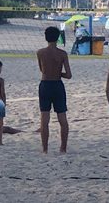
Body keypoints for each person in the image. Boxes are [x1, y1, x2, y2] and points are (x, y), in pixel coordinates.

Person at [37, 26, 72, 154]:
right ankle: (63, 148)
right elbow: (68, 75)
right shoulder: (62, 54)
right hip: (57, 85)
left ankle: (45, 149)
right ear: (58, 38)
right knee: (62, 118)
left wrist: (51, 72)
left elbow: (42, 70)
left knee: (44, 119)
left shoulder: (40, 52)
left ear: (46, 37)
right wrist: (58, 73)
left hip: (45, 85)